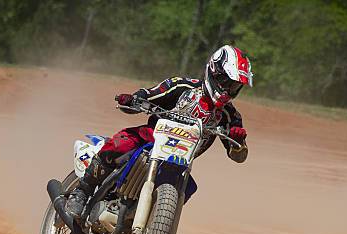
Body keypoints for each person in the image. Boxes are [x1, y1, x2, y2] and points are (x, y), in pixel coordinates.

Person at [65, 45, 254, 219]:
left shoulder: (230, 116)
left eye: (235, 86)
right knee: (121, 143)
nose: (229, 89)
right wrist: (133, 99)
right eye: (226, 82)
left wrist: (239, 141)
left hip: (179, 164)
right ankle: (82, 192)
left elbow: (238, 155)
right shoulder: (182, 86)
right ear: (214, 72)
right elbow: (149, 94)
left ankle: (155, 231)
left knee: (188, 188)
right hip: (149, 141)